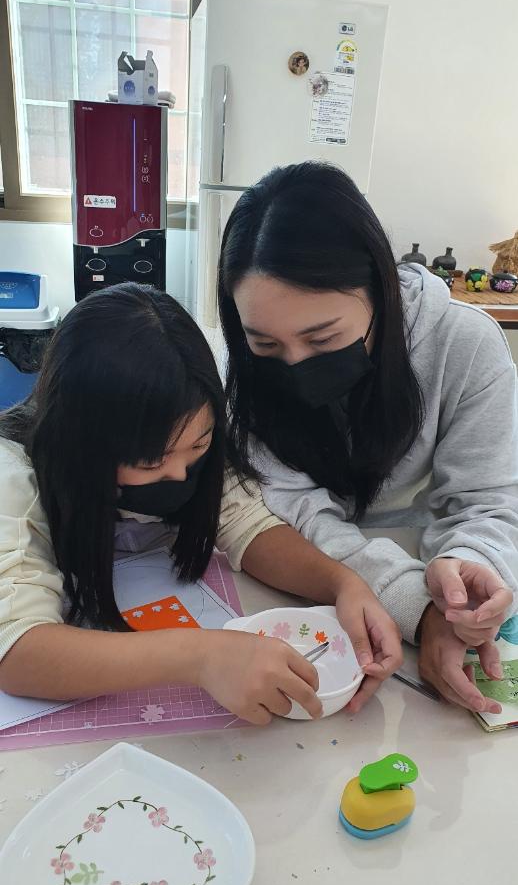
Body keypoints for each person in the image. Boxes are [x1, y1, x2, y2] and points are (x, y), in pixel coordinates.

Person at [0, 283, 402, 725]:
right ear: (81, 443)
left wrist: (342, 584)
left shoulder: (194, 430)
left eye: (199, 445)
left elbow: (248, 525)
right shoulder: (12, 473)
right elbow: (17, 653)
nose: (179, 472)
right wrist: (201, 656)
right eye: (150, 460)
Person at [218, 160, 518, 715]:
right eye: (266, 344)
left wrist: (465, 576)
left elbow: (488, 500)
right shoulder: (236, 370)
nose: (296, 364)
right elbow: (292, 508)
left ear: (380, 289)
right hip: (297, 572)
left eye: (322, 337)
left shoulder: (466, 345)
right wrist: (416, 608)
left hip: (418, 558)